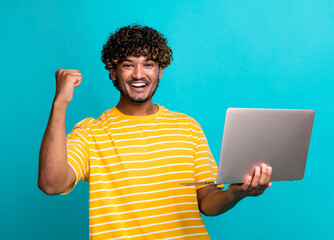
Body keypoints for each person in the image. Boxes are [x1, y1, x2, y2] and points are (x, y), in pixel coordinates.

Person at [38, 24, 272, 240]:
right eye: (128, 64)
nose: (139, 74)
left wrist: (235, 194)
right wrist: (60, 102)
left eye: (149, 64)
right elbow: (51, 184)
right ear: (113, 72)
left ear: (160, 71)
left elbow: (208, 202)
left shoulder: (187, 127)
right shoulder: (91, 132)